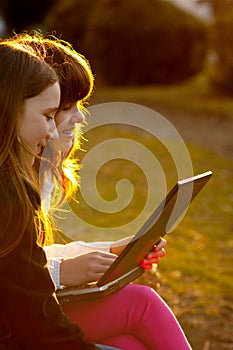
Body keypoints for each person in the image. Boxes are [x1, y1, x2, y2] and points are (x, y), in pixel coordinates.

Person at [13, 32, 193, 350]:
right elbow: (17, 274)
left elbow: (27, 258)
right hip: (20, 322)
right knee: (142, 303)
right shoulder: (10, 184)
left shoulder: (39, 169)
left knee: (130, 342)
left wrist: (108, 251)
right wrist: (62, 271)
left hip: (30, 310)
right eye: (65, 107)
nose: (80, 116)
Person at [0, 38, 120, 350]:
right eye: (50, 114)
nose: (54, 130)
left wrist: (108, 248)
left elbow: (26, 266)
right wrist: (66, 271)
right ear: (8, 108)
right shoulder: (9, 195)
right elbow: (35, 318)